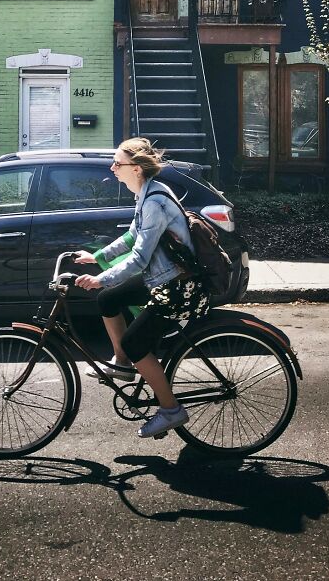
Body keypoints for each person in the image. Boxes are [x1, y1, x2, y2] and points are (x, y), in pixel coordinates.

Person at [73, 137, 193, 439]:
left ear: (136, 168)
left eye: (118, 163)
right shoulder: (145, 194)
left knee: (135, 340)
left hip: (175, 284)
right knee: (108, 300)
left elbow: (139, 258)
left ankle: (170, 410)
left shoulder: (154, 202)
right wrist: (98, 258)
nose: (113, 168)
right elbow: (130, 238)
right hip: (162, 274)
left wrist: (102, 276)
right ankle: (123, 364)